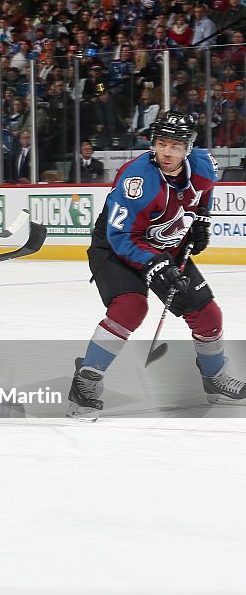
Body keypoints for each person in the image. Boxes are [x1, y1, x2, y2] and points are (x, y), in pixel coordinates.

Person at [67, 111, 240, 421]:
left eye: (176, 145)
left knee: (208, 314)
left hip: (162, 242)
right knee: (130, 308)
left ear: (188, 147)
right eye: (161, 143)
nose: (167, 152)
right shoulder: (137, 180)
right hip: (116, 246)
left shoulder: (203, 163)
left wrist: (201, 218)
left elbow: (205, 189)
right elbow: (121, 236)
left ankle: (215, 379)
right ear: (153, 143)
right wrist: (156, 265)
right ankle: (85, 382)